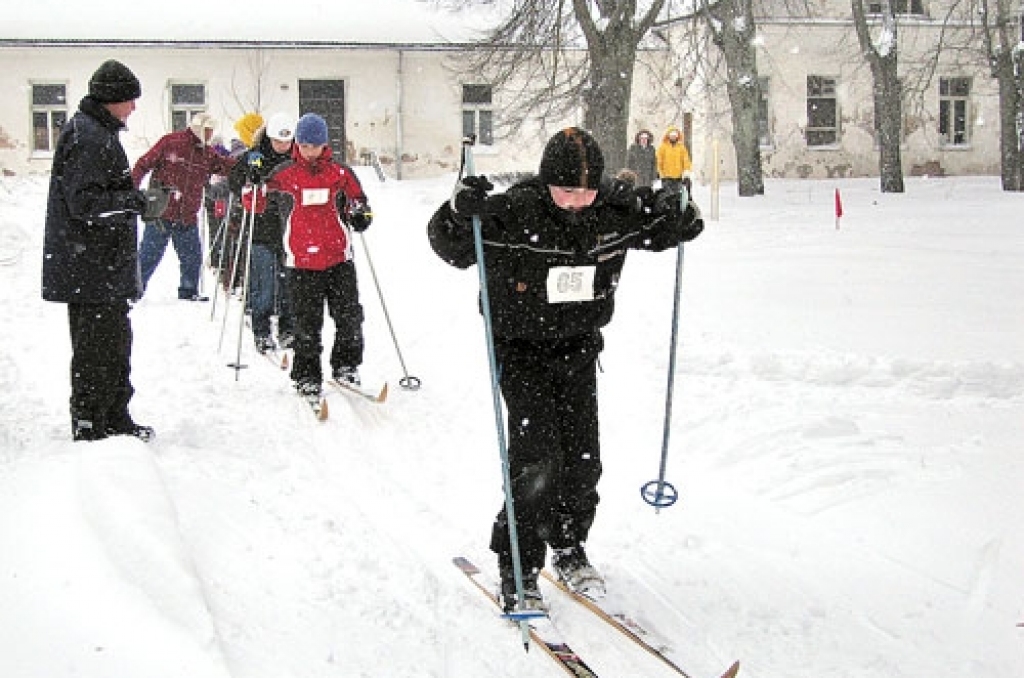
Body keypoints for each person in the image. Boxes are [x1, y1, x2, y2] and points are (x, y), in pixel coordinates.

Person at [427, 127, 705, 612]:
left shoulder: (613, 209)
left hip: (578, 345)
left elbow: (672, 228)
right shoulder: (516, 210)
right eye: (565, 190)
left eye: (586, 191)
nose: (577, 201)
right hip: (520, 346)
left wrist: (679, 211)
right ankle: (518, 566)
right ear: (545, 181)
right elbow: (451, 245)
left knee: (581, 458)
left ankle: (570, 545)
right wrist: (456, 212)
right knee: (537, 458)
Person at [42, 59, 171, 442]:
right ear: (111, 99)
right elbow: (84, 203)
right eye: (129, 99)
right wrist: (135, 203)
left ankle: (114, 415)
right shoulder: (88, 138)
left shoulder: (97, 133)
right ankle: (89, 421)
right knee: (96, 349)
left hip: (102, 267)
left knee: (114, 343)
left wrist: (135, 201)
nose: (133, 107)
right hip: (90, 267)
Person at [260, 113, 373, 397]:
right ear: (298, 143)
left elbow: (359, 201)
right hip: (302, 262)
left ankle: (346, 365)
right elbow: (255, 201)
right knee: (307, 324)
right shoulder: (285, 173)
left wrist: (361, 215)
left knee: (350, 318)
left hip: (339, 258)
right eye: (305, 145)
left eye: (316, 145)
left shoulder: (340, 172)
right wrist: (253, 181)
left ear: (325, 145)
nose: (311, 151)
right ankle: (307, 375)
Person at [132, 112, 238, 301]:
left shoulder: (207, 153)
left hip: (187, 215)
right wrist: (131, 188)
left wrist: (251, 163)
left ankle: (189, 292)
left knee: (192, 258)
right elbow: (143, 164)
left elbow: (226, 165)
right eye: (207, 130)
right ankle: (133, 291)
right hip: (161, 212)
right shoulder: (170, 143)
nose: (210, 135)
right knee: (149, 255)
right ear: (198, 128)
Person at [228, 112, 298, 353]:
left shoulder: (299, 158)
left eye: (287, 142)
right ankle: (261, 330)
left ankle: (289, 329)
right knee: (264, 285)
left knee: (289, 284)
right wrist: (250, 179)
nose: (282, 147)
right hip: (261, 228)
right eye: (278, 141)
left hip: (290, 229)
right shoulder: (254, 155)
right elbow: (234, 181)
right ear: (269, 137)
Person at [655, 125, 693, 194]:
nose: (673, 136)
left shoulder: (681, 148)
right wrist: (660, 173)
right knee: (668, 197)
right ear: (668, 136)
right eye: (671, 135)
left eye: (675, 135)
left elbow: (686, 161)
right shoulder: (663, 147)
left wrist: (686, 173)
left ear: (677, 136)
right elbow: (658, 161)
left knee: (677, 196)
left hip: (678, 178)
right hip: (666, 178)